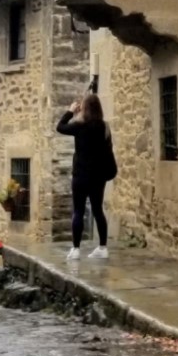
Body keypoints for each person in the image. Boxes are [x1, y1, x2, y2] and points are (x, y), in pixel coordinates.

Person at [57, 92, 117, 262]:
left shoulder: (79, 126)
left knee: (78, 210)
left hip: (81, 175)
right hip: (98, 176)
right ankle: (103, 247)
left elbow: (60, 127)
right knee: (98, 209)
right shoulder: (104, 127)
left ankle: (76, 249)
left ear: (84, 108)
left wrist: (70, 112)